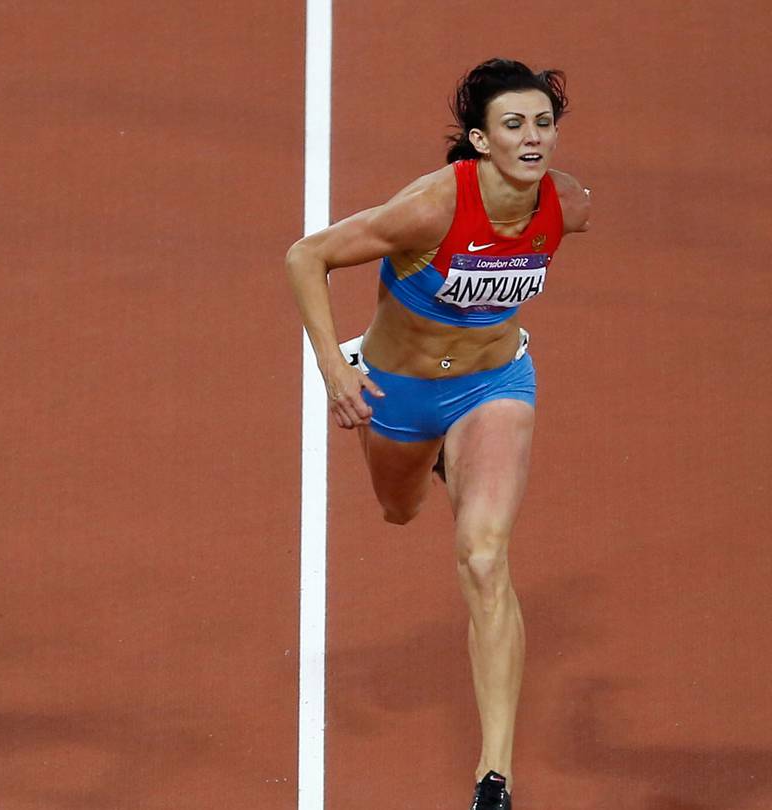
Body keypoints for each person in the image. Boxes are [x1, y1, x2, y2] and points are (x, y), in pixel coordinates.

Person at [284, 58, 590, 810]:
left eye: (543, 123)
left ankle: (494, 778)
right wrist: (335, 368)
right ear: (481, 140)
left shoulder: (568, 204)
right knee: (399, 510)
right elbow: (306, 255)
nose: (533, 138)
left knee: (483, 558)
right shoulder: (431, 208)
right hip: (401, 390)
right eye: (513, 125)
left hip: (494, 384)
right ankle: (435, 456)